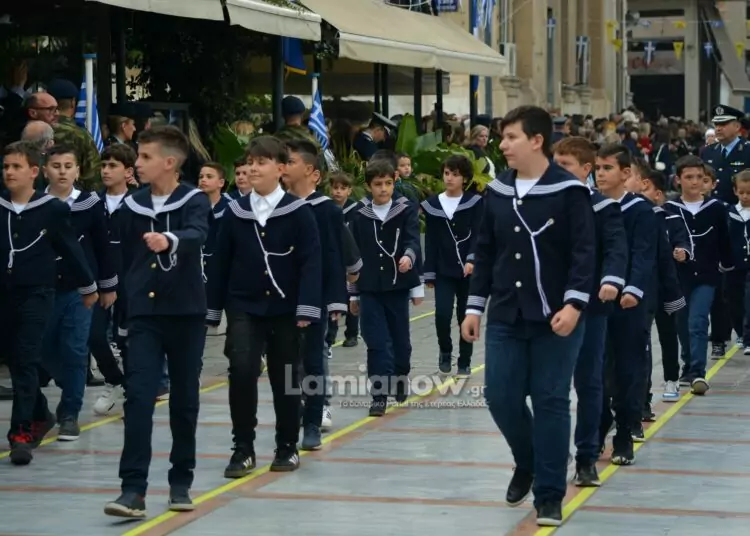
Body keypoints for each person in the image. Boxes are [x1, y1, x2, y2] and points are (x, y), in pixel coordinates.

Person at [461, 105, 595, 526]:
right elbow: (485, 251)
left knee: (551, 399)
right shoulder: (498, 190)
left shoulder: (569, 192)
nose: (503, 145)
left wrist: (574, 304)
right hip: (506, 313)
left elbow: (584, 253)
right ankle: (529, 459)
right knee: (499, 396)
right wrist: (474, 306)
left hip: (557, 317)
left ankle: (550, 494)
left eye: (511, 137)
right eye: (502, 137)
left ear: (537, 141)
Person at [103, 125, 211, 518]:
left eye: (146, 157)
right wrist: (123, 304)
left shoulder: (194, 200)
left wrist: (170, 240)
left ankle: (180, 481)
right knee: (138, 397)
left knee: (184, 400)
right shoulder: (132, 205)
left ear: (169, 162)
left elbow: (198, 233)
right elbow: (125, 259)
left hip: (185, 313)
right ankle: (132, 490)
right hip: (144, 316)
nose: (138, 163)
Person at [206, 136, 322, 478]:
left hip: (286, 307)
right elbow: (220, 261)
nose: (253, 168)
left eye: (262, 162)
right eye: (250, 162)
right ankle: (243, 447)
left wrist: (307, 307)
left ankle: (287, 445)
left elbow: (311, 262)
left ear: (280, 168)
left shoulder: (298, 211)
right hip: (244, 303)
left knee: (285, 376)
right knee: (242, 370)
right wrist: (213, 309)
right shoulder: (234, 211)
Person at [0, 141, 97, 465]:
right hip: (4, 294)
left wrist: (88, 286)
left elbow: (70, 248)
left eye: (16, 166)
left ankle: (21, 433)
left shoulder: (51, 209)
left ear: (33, 171)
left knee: (26, 358)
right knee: (15, 360)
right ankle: (40, 412)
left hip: (37, 293)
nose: (9, 172)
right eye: (6, 166)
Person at [552, 136, 627, 487]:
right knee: (550, 386)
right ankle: (551, 455)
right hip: (549, 308)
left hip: (590, 308)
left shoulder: (603, 207)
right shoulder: (542, 203)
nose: (556, 170)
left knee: (588, 382)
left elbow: (615, 247)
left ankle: (586, 456)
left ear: (586, 169)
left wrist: (611, 280)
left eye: (565, 165)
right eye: (555, 163)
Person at [41, 144, 118, 441]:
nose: (62, 172)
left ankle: (70, 413)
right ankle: (67, 383)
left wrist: (108, 285)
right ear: (44, 170)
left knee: (75, 349)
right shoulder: (36, 204)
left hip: (81, 288)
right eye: (56, 166)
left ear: (77, 170)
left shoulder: (90, 203)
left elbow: (102, 244)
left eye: (68, 166)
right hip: (43, 288)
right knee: (43, 349)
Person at [594, 143, 657, 464]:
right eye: (597, 168)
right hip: (595, 301)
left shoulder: (641, 210)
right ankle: (598, 427)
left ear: (626, 173)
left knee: (628, 369)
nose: (600, 174)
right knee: (596, 370)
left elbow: (644, 253)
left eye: (607, 168)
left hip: (629, 303)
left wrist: (632, 289)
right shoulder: (589, 206)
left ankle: (623, 434)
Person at [282, 139, 347, 449]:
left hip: (314, 297)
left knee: (313, 360)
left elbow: (334, 255)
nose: (283, 166)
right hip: (281, 295)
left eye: (290, 161)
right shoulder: (277, 205)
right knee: (286, 362)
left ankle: (312, 421)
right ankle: (291, 416)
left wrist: (336, 299)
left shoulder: (326, 210)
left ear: (312, 172)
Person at [348, 158, 423, 416]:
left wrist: (409, 258)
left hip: (398, 286)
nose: (383, 189)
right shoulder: (359, 214)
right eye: (378, 184)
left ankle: (400, 376)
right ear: (369, 186)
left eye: (388, 183)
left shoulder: (405, 209)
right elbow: (353, 255)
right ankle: (379, 394)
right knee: (376, 342)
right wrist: (352, 294)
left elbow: (413, 240)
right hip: (369, 288)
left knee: (401, 342)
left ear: (394, 183)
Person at [663, 155, 734, 395]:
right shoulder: (670, 209)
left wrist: (727, 267)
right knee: (682, 322)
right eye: (688, 177)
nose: (694, 182)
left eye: (699, 177)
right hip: (679, 276)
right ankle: (687, 363)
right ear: (678, 180)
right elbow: (664, 240)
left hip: (707, 274)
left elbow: (724, 240)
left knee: (698, 321)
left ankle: (697, 371)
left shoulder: (716, 208)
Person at [421, 154, 482, 376]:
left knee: (466, 316)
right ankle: (445, 351)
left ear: (464, 178)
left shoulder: (475, 202)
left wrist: (472, 259)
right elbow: (431, 240)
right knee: (442, 314)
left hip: (469, 272)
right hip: (443, 270)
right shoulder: (433, 205)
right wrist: (429, 273)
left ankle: (465, 360)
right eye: (447, 173)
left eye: (455, 174)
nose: (449, 178)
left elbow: (479, 234)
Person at [92, 143, 137, 416]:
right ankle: (114, 378)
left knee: (128, 338)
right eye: (103, 165)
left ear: (128, 172)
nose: (106, 171)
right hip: (99, 281)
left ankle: (133, 392)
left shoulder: (138, 202)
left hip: (131, 281)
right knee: (94, 335)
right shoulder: (92, 202)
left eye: (113, 166)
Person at [47, 79, 101, 192]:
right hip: (76, 197)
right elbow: (93, 177)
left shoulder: (37, 131)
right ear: (73, 102)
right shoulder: (81, 135)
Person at [327, 172, 361, 349]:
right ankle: (330, 334)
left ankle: (352, 333)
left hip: (352, 261)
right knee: (333, 298)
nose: (338, 192)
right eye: (335, 188)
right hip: (334, 261)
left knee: (352, 297)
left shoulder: (355, 211)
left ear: (349, 190)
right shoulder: (327, 209)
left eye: (342, 188)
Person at [701, 105, 750, 205]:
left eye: (723, 124)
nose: (718, 129)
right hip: (711, 208)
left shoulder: (747, 150)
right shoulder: (708, 151)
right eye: (716, 125)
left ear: (737, 127)